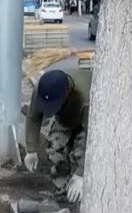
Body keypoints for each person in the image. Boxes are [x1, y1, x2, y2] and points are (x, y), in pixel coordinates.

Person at [23, 63, 91, 203]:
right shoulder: (42, 90)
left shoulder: (87, 98)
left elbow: (92, 141)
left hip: (90, 123)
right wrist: (31, 150)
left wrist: (81, 174)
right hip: (66, 117)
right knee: (54, 149)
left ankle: (84, 194)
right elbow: (33, 118)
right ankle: (64, 191)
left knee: (79, 154)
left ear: (66, 94)